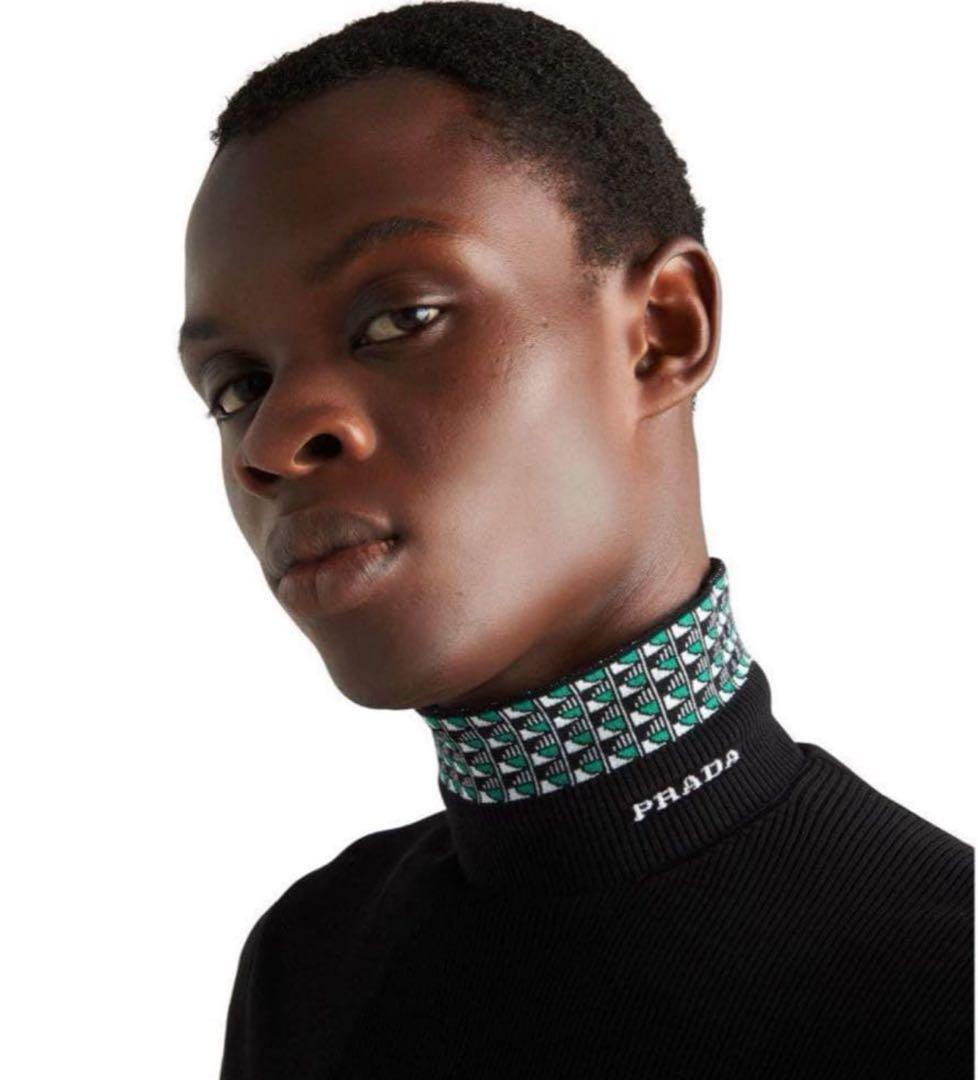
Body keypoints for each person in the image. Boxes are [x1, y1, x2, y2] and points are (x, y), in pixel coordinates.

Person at [177, 3, 973, 1076]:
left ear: (664, 332)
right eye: (236, 386)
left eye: (400, 319)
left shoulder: (946, 993)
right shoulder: (307, 964)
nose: (272, 442)